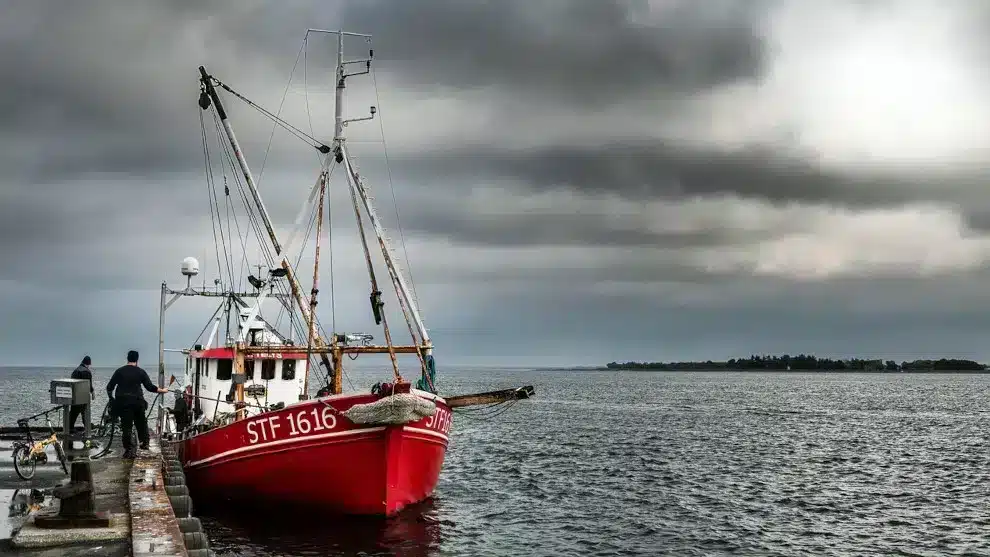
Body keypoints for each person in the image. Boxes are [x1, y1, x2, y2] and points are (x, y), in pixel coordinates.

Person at [105, 350, 168, 458]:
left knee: (126, 427)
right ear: (137, 359)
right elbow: (149, 387)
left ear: (127, 359)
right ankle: (144, 443)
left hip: (124, 403)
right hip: (138, 403)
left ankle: (128, 449)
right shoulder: (140, 372)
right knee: (141, 424)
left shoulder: (119, 371)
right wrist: (162, 390)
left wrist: (112, 399)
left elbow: (109, 387)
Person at [69, 356, 95, 431]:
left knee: (73, 412)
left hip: (74, 395)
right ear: (88, 363)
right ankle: (87, 428)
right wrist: (92, 392)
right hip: (83, 395)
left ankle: (70, 428)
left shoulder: (75, 370)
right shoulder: (87, 371)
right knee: (85, 412)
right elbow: (89, 384)